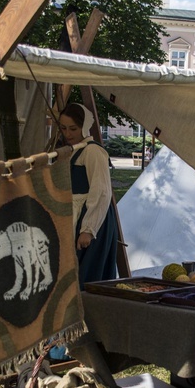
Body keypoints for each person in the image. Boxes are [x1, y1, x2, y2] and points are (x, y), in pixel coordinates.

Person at [59, 103, 118, 287]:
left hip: (93, 218)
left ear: (84, 127)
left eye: (73, 129)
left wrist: (88, 229)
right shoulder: (73, 150)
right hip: (77, 215)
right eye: (64, 128)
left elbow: (101, 191)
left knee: (89, 275)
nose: (68, 134)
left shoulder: (93, 151)